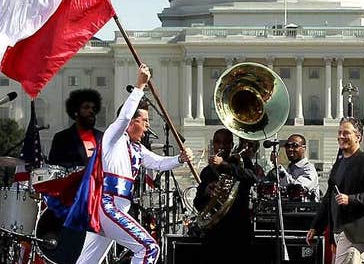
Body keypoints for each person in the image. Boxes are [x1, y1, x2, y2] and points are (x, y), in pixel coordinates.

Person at [75, 64, 193, 264]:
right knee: (149, 249)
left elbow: (157, 163)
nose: (147, 127)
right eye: (144, 121)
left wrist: (179, 159)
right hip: (108, 207)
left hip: (113, 209)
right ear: (132, 123)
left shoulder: (136, 148)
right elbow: (124, 117)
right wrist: (140, 86)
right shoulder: (113, 137)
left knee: (86, 262)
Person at [306, 117, 364, 264]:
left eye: (346, 133)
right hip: (339, 231)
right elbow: (329, 197)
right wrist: (316, 226)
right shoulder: (339, 164)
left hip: (354, 231)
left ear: (358, 137)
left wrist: (351, 199)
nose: (341, 136)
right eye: (339, 132)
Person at [193, 129, 258, 264]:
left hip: (238, 229)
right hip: (215, 232)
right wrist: (206, 191)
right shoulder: (207, 171)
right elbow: (198, 204)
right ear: (213, 145)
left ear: (231, 145)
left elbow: (252, 177)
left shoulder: (241, 161)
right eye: (217, 142)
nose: (221, 146)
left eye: (226, 143)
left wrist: (224, 165)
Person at [49, 89, 103, 167]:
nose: (91, 111)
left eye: (93, 108)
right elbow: (55, 166)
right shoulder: (62, 138)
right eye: (86, 107)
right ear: (76, 111)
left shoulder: (102, 137)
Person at [266, 134, 320, 201]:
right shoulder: (289, 169)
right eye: (287, 146)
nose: (290, 149)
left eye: (295, 146)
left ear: (304, 148)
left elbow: (296, 188)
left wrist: (278, 167)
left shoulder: (309, 169)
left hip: (304, 210)